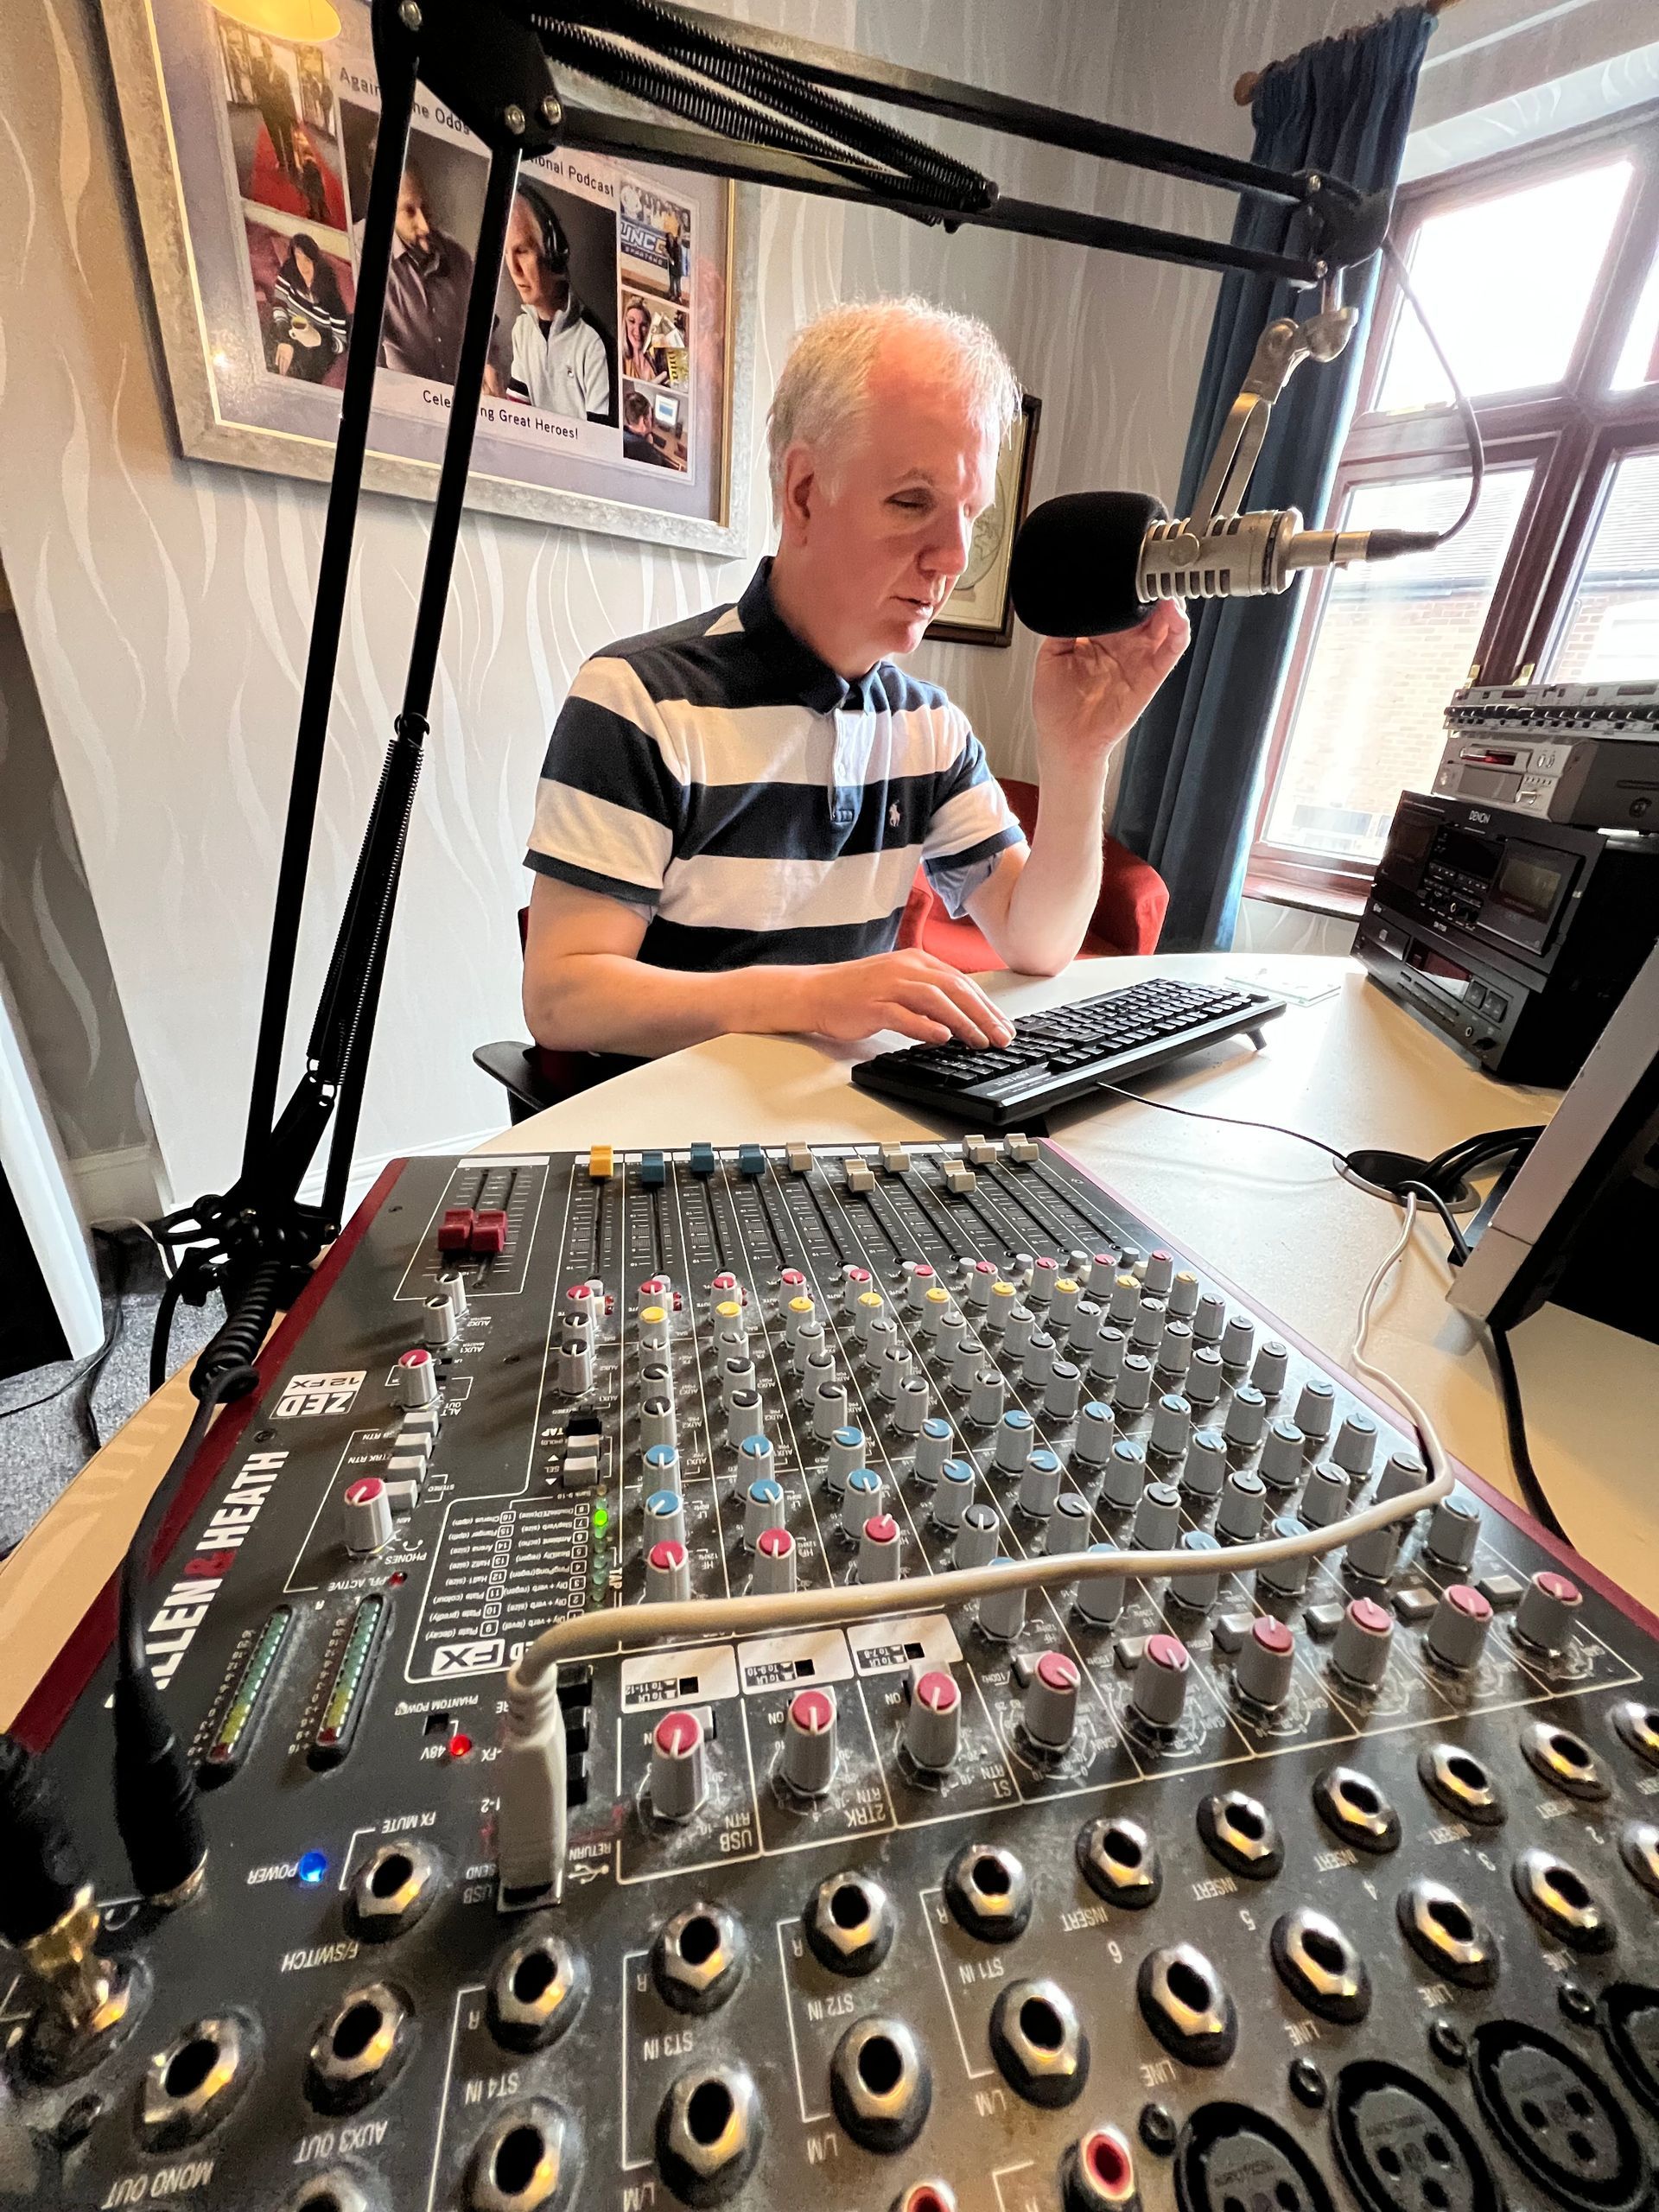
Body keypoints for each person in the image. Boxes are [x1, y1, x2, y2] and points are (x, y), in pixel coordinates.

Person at [522, 296, 1188, 1063]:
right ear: (803, 493)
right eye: (913, 502)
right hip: (675, 1153)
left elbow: (1038, 944)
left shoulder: (930, 729)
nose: (953, 556)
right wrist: (811, 995)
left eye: (971, 514)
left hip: (838, 1136)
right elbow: (563, 998)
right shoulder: (638, 700)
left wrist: (1077, 757)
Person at [483, 185, 612, 423]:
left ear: (554, 251)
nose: (514, 270)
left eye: (522, 251)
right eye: (506, 253)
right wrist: (497, 404)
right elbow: (521, 417)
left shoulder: (593, 343)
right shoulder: (522, 329)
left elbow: (599, 447)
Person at [379, 164, 475, 387]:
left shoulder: (459, 256)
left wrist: (487, 363)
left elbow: (486, 334)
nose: (424, 226)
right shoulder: (360, 253)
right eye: (409, 211)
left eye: (424, 207)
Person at [270, 233, 350, 382]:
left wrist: (319, 341)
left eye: (307, 259)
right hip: (289, 328)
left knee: (306, 370)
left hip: (320, 343)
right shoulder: (289, 270)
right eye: (298, 258)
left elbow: (340, 343)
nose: (303, 266)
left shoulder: (330, 293)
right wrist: (285, 338)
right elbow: (279, 305)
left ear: (316, 261)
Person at [251, 50, 298, 181]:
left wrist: (292, 115)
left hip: (282, 112)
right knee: (275, 139)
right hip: (269, 112)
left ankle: (292, 166)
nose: (268, 60)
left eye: (269, 57)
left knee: (287, 139)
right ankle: (282, 163)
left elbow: (288, 95)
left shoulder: (282, 74)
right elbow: (257, 88)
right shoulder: (258, 72)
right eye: (266, 57)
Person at [620, 298, 670, 385]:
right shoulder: (621, 362)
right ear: (625, 325)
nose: (637, 331)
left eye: (643, 325)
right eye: (632, 321)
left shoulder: (658, 361)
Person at [622, 389, 672, 466]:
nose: (652, 422)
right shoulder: (647, 452)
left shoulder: (622, 433)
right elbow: (658, 463)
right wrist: (650, 445)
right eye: (650, 418)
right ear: (644, 421)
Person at [293, 129, 327, 226]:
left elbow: (306, 179)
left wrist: (303, 187)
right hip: (318, 186)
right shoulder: (314, 163)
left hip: (312, 187)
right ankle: (323, 213)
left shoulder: (306, 165)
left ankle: (316, 217)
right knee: (320, 199)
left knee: (313, 201)